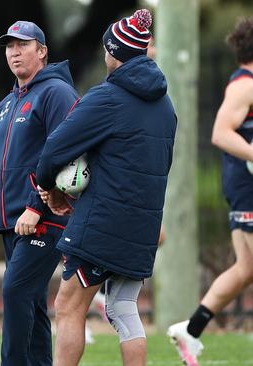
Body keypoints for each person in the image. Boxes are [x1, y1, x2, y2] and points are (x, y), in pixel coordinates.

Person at [35, 9, 177, 365]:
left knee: (68, 306)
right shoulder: (166, 106)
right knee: (124, 309)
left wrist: (50, 188)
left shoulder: (106, 97)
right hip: (142, 226)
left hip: (102, 225)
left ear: (114, 52)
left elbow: (54, 149)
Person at [0, 21, 78, 365]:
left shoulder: (56, 92)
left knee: (15, 291)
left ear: (42, 51)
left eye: (22, 45)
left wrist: (34, 206)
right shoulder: (8, 102)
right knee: (33, 303)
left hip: (44, 217)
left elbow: (65, 151)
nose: (14, 52)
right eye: (9, 46)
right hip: (11, 220)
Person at [167, 17, 253, 366]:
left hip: (241, 186)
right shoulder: (245, 85)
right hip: (246, 187)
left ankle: (191, 328)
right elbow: (220, 133)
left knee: (246, 270)